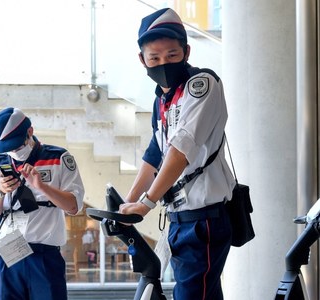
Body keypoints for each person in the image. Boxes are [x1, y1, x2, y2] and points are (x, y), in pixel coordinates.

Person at [118, 8, 236, 300]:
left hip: (204, 220)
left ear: (186, 51)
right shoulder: (162, 101)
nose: (163, 63)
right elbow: (154, 157)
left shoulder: (202, 85)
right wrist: (127, 203)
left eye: (172, 55)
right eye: (154, 58)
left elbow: (180, 150)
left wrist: (146, 203)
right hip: (180, 219)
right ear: (142, 60)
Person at [0, 107, 85, 300]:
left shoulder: (59, 158)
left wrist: (42, 187)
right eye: (9, 149)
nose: (14, 152)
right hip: (8, 252)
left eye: (17, 146)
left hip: (44, 254)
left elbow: (74, 206)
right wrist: (0, 190)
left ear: (30, 132)